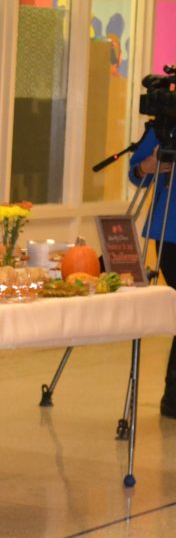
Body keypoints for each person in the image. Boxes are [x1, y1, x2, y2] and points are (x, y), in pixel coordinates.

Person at [128, 127, 176, 419]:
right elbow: (136, 172)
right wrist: (149, 166)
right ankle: (172, 396)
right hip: (170, 231)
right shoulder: (166, 124)